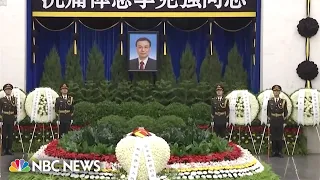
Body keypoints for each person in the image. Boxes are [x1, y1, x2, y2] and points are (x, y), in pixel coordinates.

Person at [267, 85, 288, 158]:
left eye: (277, 91)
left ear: (280, 92)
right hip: (273, 119)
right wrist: (268, 122)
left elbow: (285, 112)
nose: (276, 92)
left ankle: (279, 151)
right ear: (273, 92)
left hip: (280, 120)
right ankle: (274, 151)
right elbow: (268, 112)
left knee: (279, 136)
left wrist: (285, 122)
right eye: (275, 91)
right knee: (273, 136)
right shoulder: (270, 101)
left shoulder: (283, 101)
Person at [0, 83, 17, 156]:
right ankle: (4, 149)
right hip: (5, 118)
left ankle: (9, 149)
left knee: (10, 135)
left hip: (11, 118)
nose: (8, 91)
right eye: (7, 90)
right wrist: (0, 120)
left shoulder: (14, 99)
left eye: (10, 90)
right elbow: (0, 110)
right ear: (4, 91)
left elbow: (15, 109)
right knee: (4, 135)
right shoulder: (1, 100)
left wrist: (15, 118)